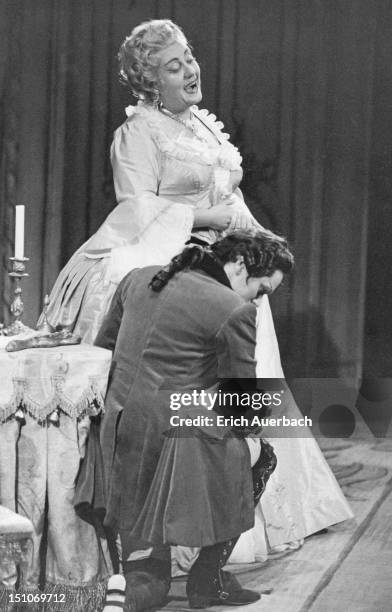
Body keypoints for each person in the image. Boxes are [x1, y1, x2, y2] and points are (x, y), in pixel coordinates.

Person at [43, 18, 352, 566]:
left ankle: (241, 509)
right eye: (174, 66)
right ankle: (172, 537)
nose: (190, 70)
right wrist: (208, 216)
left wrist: (257, 242)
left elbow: (229, 195)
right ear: (148, 83)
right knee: (195, 394)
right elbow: (135, 208)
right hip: (173, 264)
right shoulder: (138, 132)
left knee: (242, 384)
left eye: (189, 57)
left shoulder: (203, 126)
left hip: (227, 267)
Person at [93, 230, 293, 610]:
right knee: (263, 454)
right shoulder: (233, 309)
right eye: (262, 290)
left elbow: (103, 351)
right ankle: (207, 579)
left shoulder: (139, 277)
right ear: (239, 265)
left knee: (148, 574)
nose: (259, 301)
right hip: (169, 437)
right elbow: (242, 401)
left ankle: (136, 577)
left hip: (113, 428)